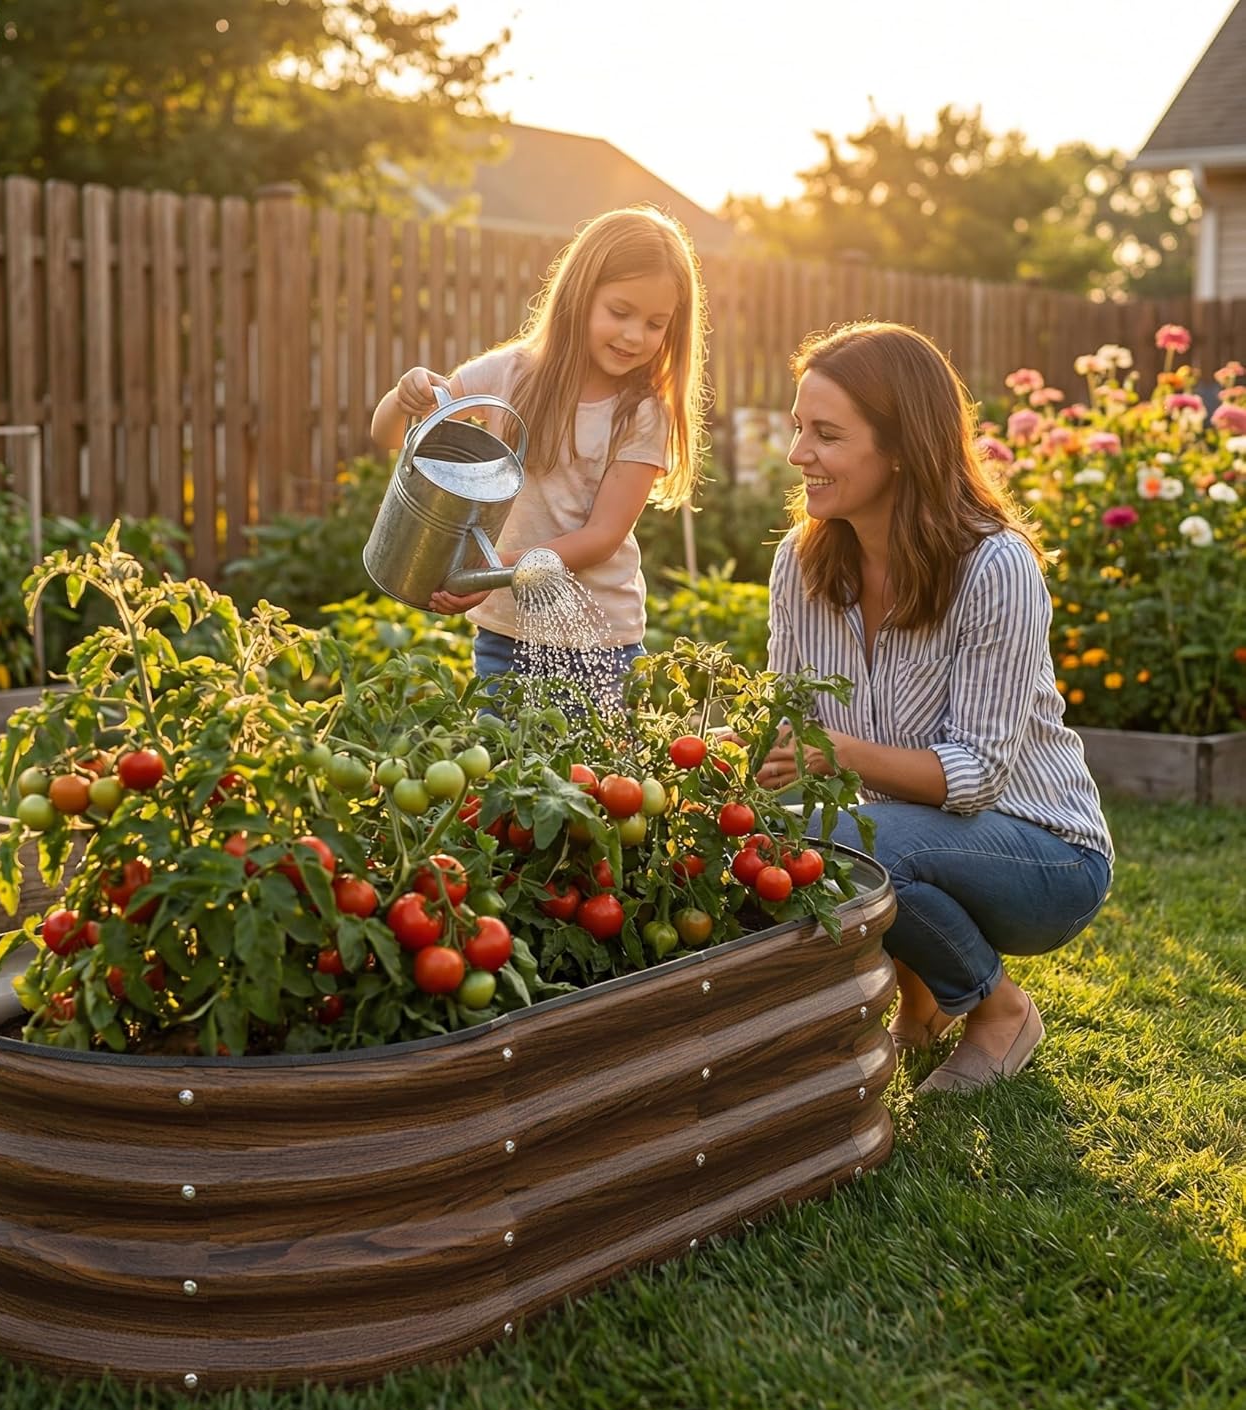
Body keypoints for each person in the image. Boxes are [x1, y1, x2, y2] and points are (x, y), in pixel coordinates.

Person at [758, 321, 1113, 1095]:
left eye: (825, 434)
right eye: (797, 428)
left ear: (901, 447)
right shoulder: (803, 562)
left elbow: (977, 775)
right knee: (796, 834)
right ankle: (919, 1008)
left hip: (1047, 856)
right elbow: (790, 731)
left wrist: (837, 752)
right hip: (921, 838)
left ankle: (998, 1010)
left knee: (845, 835)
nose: (797, 455)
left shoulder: (994, 566)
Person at [368, 205, 708, 701]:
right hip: (505, 634)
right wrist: (405, 397)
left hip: (599, 642)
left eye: (656, 324)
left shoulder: (641, 413)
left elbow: (601, 537)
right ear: (579, 295)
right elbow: (393, 438)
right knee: (503, 771)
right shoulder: (510, 373)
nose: (635, 335)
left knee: (594, 778)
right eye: (620, 312)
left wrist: (494, 570)